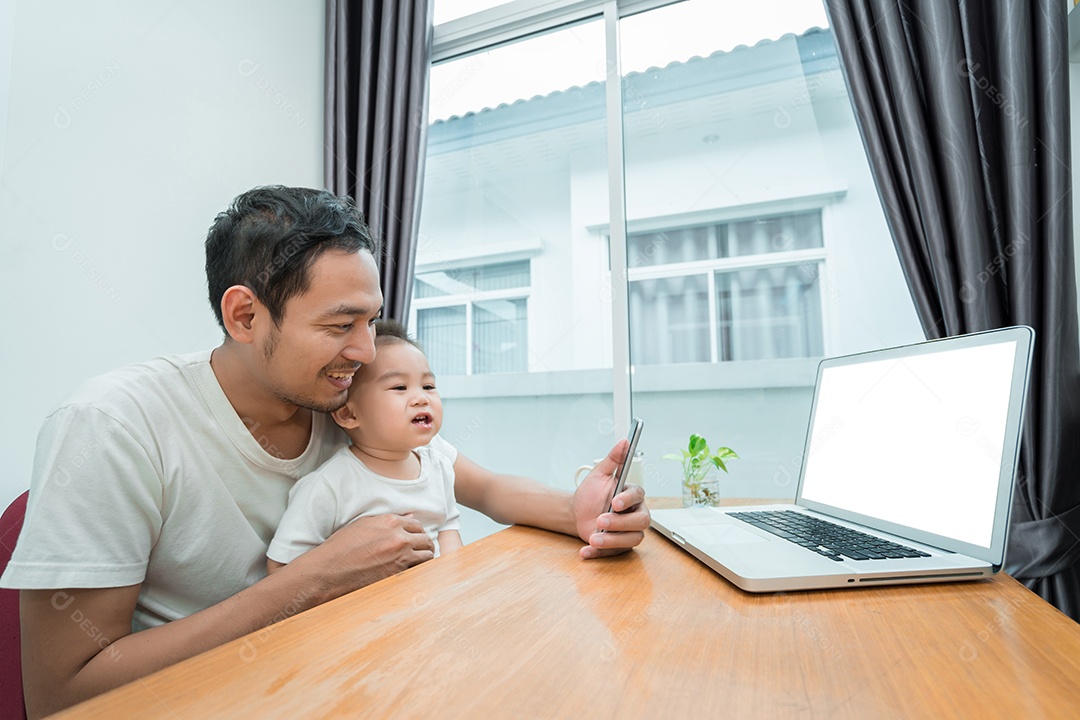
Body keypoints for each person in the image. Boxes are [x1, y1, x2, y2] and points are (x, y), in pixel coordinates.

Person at [0, 185, 648, 718]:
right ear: (245, 317)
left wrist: (579, 511)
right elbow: (63, 696)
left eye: (370, 321)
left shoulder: (343, 400)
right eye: (341, 325)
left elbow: (478, 484)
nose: (366, 351)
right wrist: (311, 581)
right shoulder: (113, 426)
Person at [267, 318, 462, 572]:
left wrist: (453, 579)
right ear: (348, 414)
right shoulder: (330, 485)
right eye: (399, 387)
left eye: (428, 386)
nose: (421, 398)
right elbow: (281, 567)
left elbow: (448, 528)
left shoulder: (439, 467)